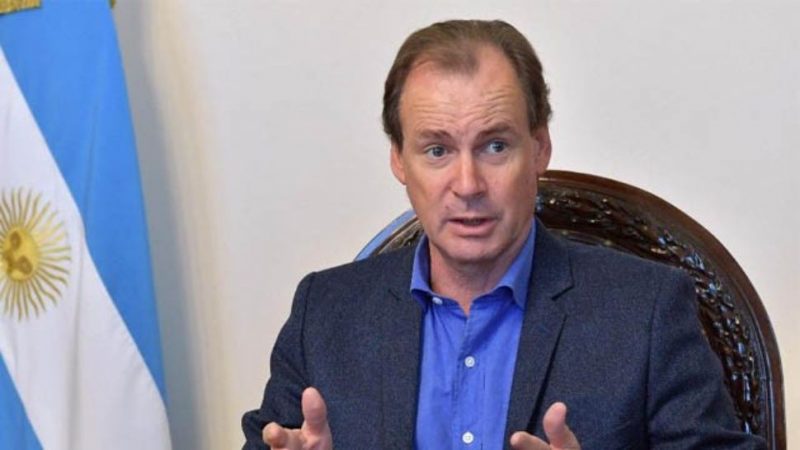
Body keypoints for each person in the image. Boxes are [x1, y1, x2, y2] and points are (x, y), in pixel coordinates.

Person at [242, 19, 765, 449]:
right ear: (399, 160)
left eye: (495, 146)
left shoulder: (645, 310)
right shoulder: (325, 314)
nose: (468, 185)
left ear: (539, 149)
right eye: (437, 150)